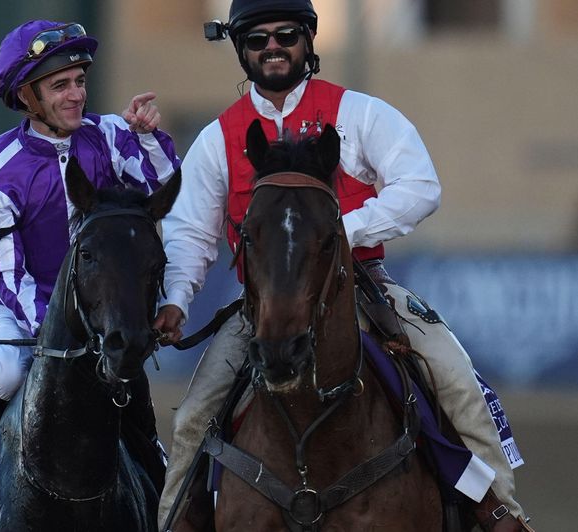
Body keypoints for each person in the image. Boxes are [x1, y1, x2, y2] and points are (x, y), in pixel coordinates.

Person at [153, 1, 532, 530]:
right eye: (257, 39)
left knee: (457, 382)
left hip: (364, 291)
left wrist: (337, 236)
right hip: (261, 308)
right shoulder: (218, 139)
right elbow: (190, 233)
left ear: (308, 40)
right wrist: (175, 301)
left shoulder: (361, 113)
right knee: (193, 417)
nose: (273, 47)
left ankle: (502, 512)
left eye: (285, 34)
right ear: (241, 50)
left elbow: (420, 187)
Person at [0, 19, 180, 521]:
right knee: (2, 372)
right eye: (60, 85)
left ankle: (164, 493)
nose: (77, 94)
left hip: (101, 315)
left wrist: (147, 137)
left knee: (132, 393)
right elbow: (8, 269)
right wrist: (51, 329)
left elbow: (161, 188)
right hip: (26, 315)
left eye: (80, 81)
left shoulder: (109, 135)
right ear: (28, 96)